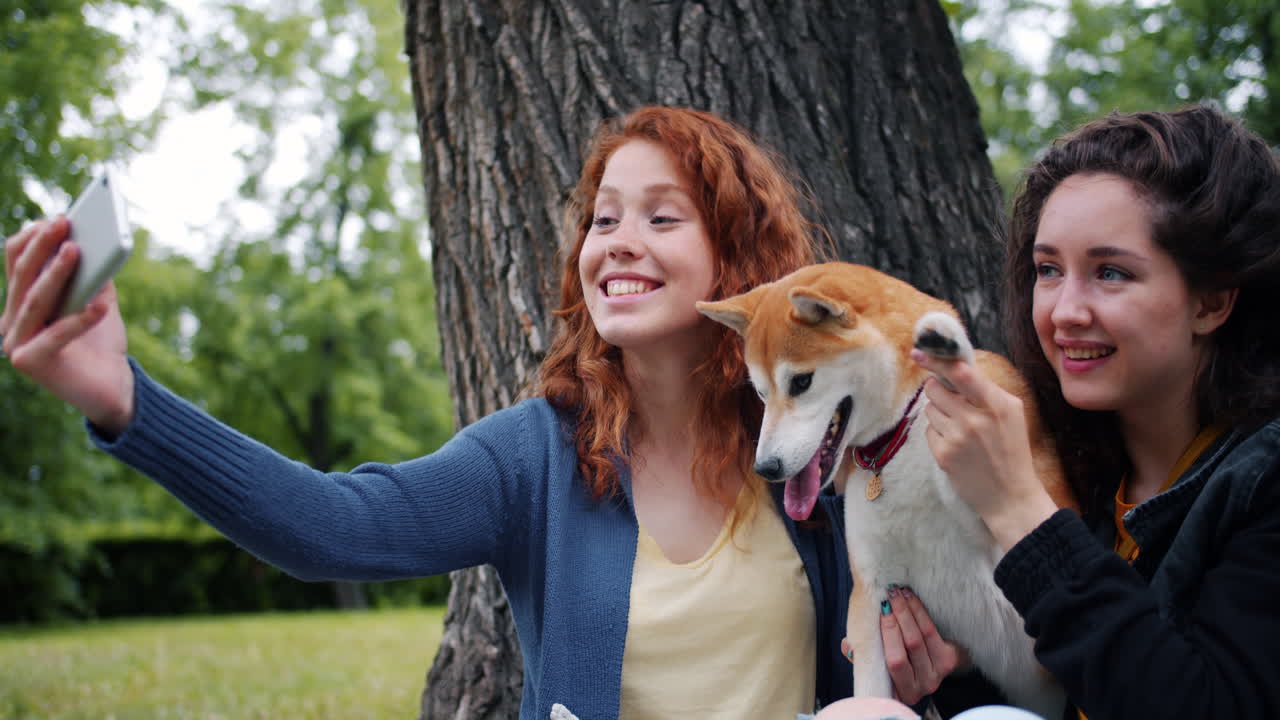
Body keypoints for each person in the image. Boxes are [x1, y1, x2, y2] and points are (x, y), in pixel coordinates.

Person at [0, 107, 855, 719]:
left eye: (662, 216)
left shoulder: (818, 445)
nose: (617, 241)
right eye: (603, 218)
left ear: (738, 259)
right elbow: (330, 526)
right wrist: (123, 399)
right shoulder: (536, 458)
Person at [901, 105, 1280, 719]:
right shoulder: (1074, 460)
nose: (1063, 311)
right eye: (1048, 270)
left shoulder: (1262, 482)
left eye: (1110, 273)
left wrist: (1016, 507)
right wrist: (962, 667)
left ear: (1211, 302)